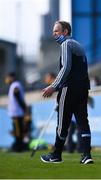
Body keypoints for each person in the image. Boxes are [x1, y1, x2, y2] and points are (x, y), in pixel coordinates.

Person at [40, 21, 93, 164]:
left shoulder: (66, 44)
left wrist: (54, 86)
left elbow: (66, 67)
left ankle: (56, 155)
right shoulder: (79, 45)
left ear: (65, 31)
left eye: (56, 31)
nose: (54, 34)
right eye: (53, 31)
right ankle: (87, 155)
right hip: (83, 88)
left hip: (69, 88)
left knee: (62, 124)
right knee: (83, 122)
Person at [5, 72, 28, 152]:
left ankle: (19, 147)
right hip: (16, 112)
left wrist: (23, 108)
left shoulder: (15, 85)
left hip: (17, 112)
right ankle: (18, 146)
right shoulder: (14, 85)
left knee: (18, 131)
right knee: (17, 130)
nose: (6, 80)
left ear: (12, 77)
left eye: (7, 78)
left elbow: (17, 95)